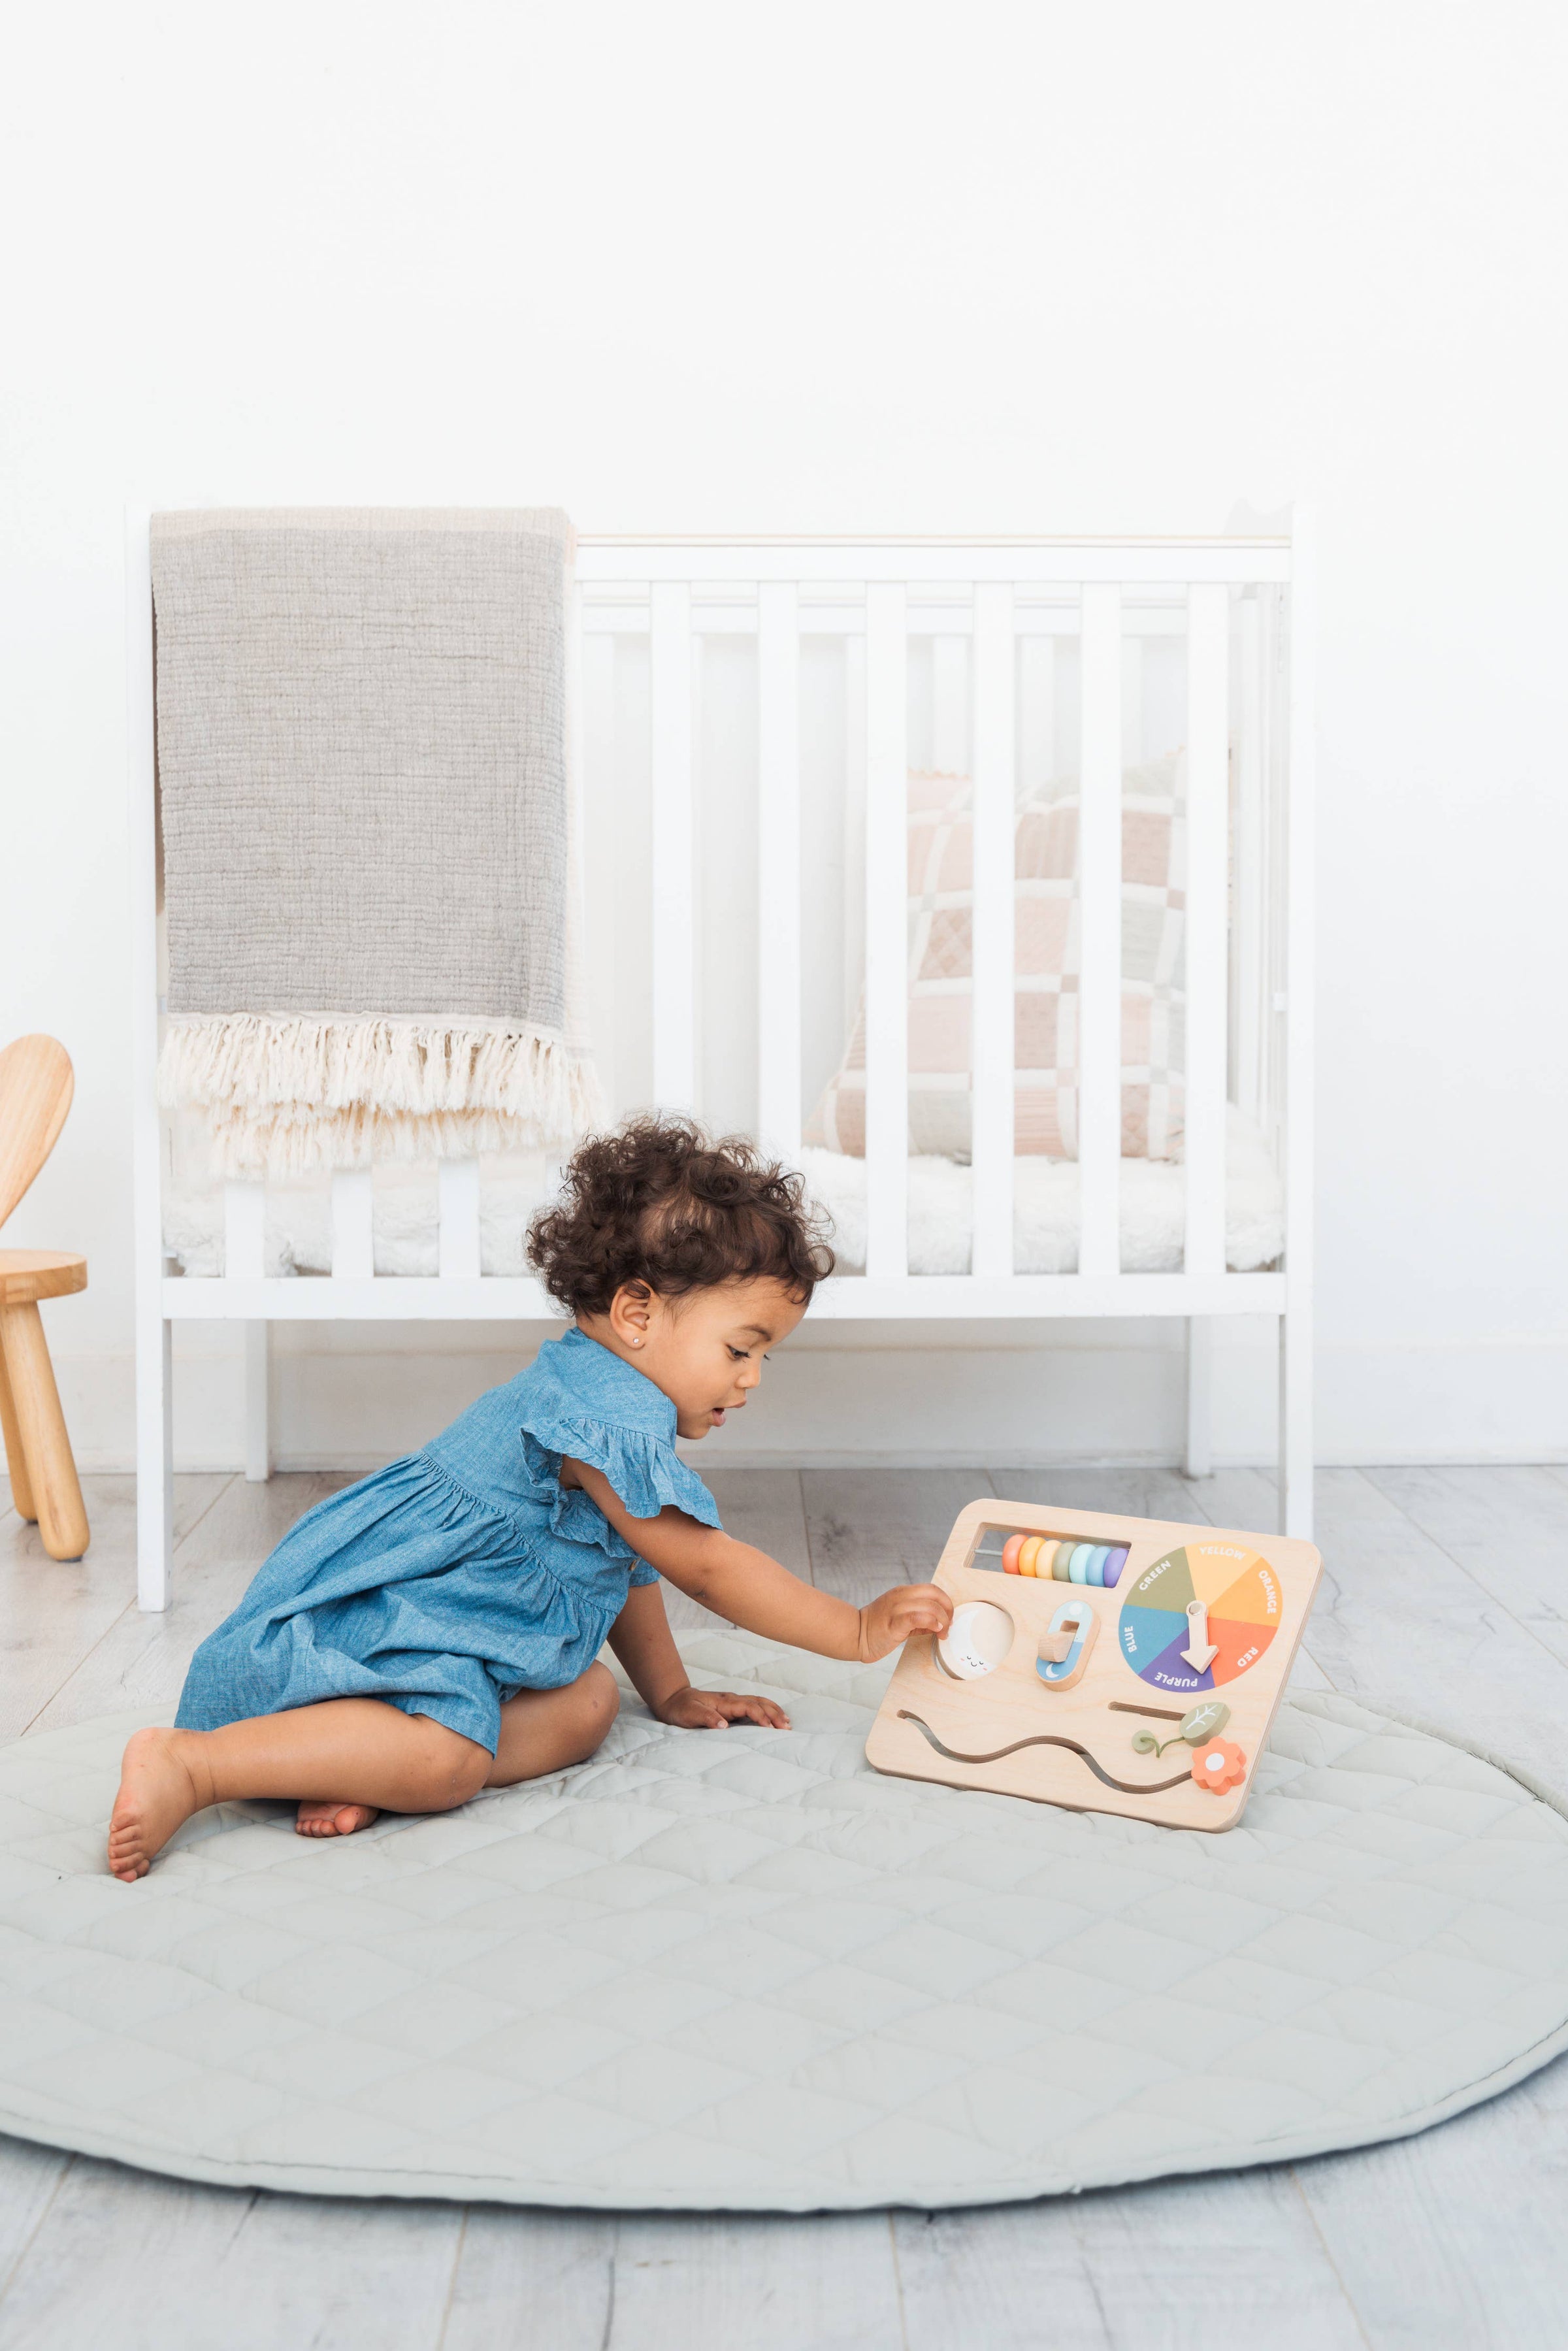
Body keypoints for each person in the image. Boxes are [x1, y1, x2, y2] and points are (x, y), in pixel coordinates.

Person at [107, 1115, 953, 1881]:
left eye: (765, 1356)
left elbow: (621, 1565)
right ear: (636, 1312)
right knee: (449, 1764)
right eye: (740, 1347)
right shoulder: (601, 1408)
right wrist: (853, 1629)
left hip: (471, 1633)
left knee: (589, 1703)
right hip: (406, 1615)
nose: (751, 1378)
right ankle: (197, 1765)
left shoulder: (617, 1402)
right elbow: (702, 1567)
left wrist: (669, 1693)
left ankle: (363, 1763)